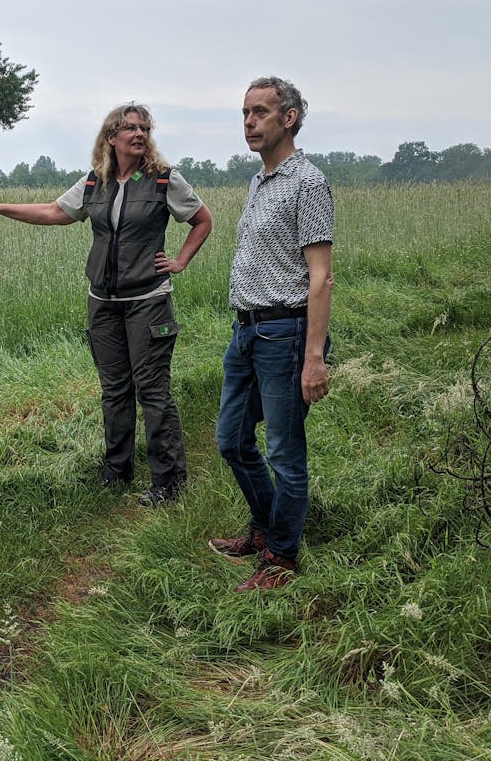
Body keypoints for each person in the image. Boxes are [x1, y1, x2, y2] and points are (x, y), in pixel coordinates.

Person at [0, 103, 212, 505]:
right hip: (103, 303)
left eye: (144, 128)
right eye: (130, 128)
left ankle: (168, 483)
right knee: (114, 391)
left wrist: (180, 260)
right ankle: (117, 472)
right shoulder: (94, 184)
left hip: (148, 302)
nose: (139, 134)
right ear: (110, 137)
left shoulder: (165, 181)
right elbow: (52, 212)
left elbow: (203, 220)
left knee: (152, 391)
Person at [208, 76, 333, 592]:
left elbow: (321, 276)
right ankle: (265, 529)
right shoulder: (259, 181)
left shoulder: (308, 182)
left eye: (259, 112)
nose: (248, 122)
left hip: (286, 332)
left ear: (289, 118)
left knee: (285, 452)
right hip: (246, 331)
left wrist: (314, 357)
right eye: (244, 113)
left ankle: (281, 558)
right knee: (231, 440)